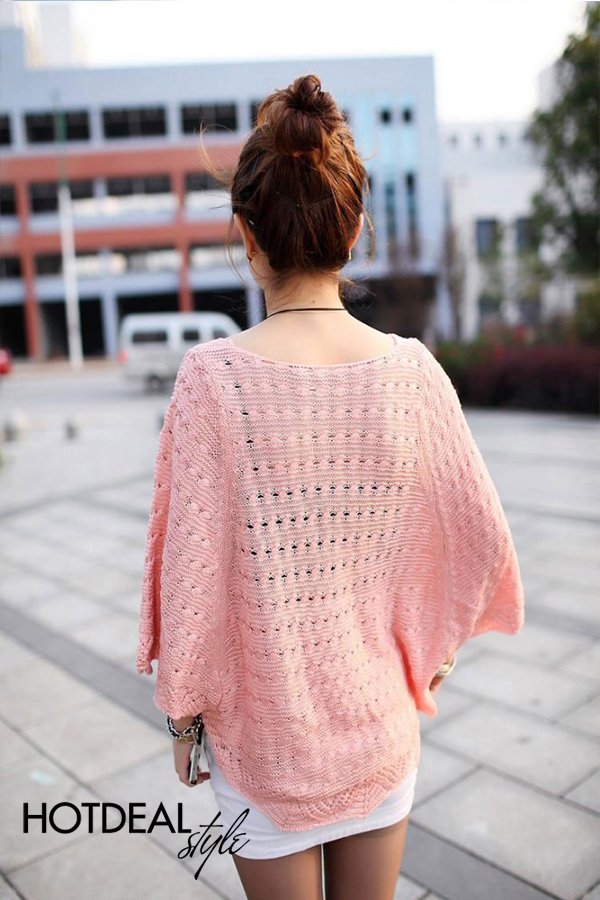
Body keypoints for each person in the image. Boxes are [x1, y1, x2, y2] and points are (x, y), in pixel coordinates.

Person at [136, 74, 525, 900]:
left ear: (246, 234)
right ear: (354, 228)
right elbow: (480, 540)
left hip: (262, 745)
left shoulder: (213, 381)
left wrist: (182, 716)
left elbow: (189, 579)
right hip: (379, 730)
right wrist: (431, 657)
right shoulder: (412, 372)